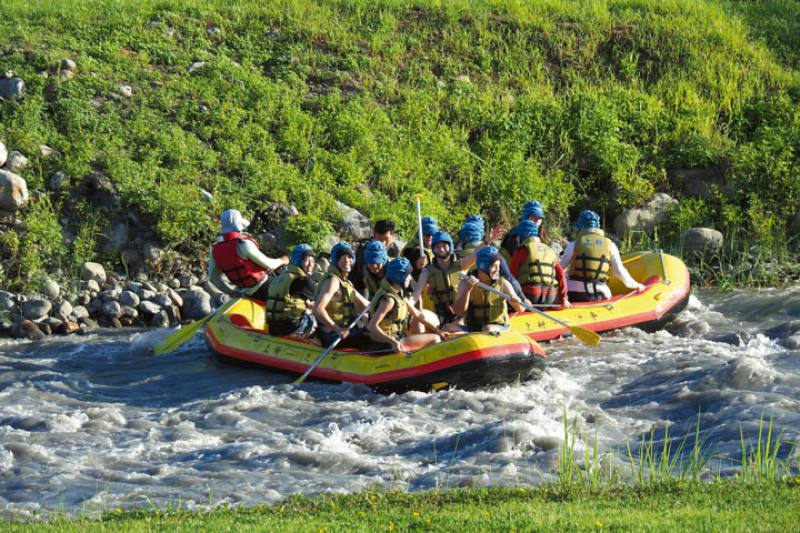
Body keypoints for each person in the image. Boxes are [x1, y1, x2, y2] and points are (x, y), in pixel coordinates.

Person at [414, 229, 501, 331]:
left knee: (449, 327)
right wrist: (409, 305)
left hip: (462, 316)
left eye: (444, 246)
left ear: (450, 246)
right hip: (440, 316)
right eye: (437, 247)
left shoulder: (461, 265)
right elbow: (416, 293)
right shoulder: (427, 271)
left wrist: (487, 241)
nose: (441, 249)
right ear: (433, 249)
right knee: (418, 316)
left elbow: (475, 254)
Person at [560, 210, 645, 302]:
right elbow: (619, 271)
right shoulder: (610, 245)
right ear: (598, 227)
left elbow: (560, 269)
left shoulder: (573, 244)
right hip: (599, 293)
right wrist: (635, 285)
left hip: (573, 293)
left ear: (580, 227)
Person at [367, 258, 450, 352]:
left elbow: (417, 315)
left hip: (395, 339)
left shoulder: (397, 294)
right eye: (407, 275)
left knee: (434, 334)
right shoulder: (389, 300)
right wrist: (392, 342)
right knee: (435, 338)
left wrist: (439, 331)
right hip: (385, 344)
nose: (410, 278)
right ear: (399, 278)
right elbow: (371, 326)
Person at [208, 209, 289, 301]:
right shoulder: (243, 244)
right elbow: (270, 265)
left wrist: (230, 292)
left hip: (245, 292)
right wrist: (283, 260)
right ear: (240, 227)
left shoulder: (215, 250)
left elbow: (213, 278)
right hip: (265, 286)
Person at [453, 246, 524, 332]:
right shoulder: (465, 283)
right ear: (483, 266)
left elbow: (521, 309)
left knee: (487, 328)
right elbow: (458, 312)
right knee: (447, 328)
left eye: (498, 266)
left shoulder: (503, 283)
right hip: (473, 329)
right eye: (494, 266)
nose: (497, 270)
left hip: (498, 327)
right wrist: (467, 290)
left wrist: (516, 302)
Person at [313, 242, 371, 347]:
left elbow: (366, 304)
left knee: (370, 327)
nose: (347, 261)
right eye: (342, 257)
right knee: (370, 338)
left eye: (349, 257)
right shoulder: (333, 281)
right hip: (331, 334)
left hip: (343, 330)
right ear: (335, 260)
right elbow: (317, 309)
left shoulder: (346, 283)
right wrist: (337, 329)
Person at [457, 220, 528, 304]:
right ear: (480, 234)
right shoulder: (495, 256)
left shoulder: (457, 258)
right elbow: (509, 278)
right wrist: (522, 299)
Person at [509, 220, 570, 308]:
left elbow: (511, 277)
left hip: (530, 296)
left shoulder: (521, 250)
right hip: (551, 297)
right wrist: (564, 298)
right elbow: (561, 274)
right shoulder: (550, 250)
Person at [265, 244, 318, 337]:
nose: (310, 265)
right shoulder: (305, 280)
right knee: (318, 314)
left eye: (312, 261)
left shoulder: (282, 276)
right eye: (306, 260)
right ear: (298, 261)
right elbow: (321, 304)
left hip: (272, 328)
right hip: (290, 330)